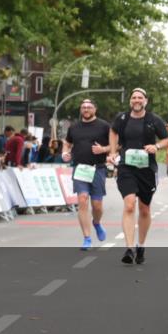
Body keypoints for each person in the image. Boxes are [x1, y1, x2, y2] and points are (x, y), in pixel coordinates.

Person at [109, 88, 168, 265]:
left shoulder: (153, 120)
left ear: (145, 101)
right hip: (126, 167)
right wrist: (113, 152)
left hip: (146, 169)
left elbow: (167, 139)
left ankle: (140, 245)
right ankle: (129, 248)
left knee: (144, 209)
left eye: (140, 98)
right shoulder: (122, 118)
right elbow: (113, 132)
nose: (137, 100)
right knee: (129, 205)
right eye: (134, 97)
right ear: (130, 101)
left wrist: (156, 147)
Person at [63, 99, 112, 251]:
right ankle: (87, 238)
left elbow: (115, 144)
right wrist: (65, 152)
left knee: (97, 205)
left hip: (97, 169)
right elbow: (67, 142)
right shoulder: (74, 127)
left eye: (89, 107)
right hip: (80, 169)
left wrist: (103, 150)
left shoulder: (104, 126)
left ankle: (96, 223)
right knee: (82, 200)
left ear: (95, 109)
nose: (86, 109)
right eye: (83, 107)